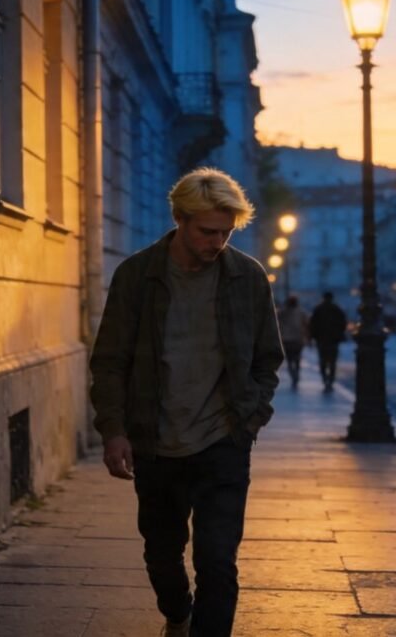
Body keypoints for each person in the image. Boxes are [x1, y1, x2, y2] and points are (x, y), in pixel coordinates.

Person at [89, 167, 283, 637]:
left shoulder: (246, 277)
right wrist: (114, 431)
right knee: (161, 552)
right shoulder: (138, 276)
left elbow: (267, 358)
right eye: (207, 231)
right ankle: (177, 613)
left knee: (218, 560)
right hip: (156, 442)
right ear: (179, 218)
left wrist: (250, 418)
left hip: (223, 441)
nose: (217, 241)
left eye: (226, 231)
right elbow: (110, 360)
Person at [309, 291, 347, 393]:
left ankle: (325, 379)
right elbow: (343, 323)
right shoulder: (337, 309)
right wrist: (339, 335)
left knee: (323, 361)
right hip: (333, 340)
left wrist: (313, 337)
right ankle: (330, 380)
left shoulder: (318, 309)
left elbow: (312, 325)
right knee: (332, 362)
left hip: (321, 340)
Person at [277, 295, 310, 389]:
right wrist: (307, 337)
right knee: (297, 358)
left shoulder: (281, 313)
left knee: (289, 360)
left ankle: (293, 375)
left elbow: (277, 326)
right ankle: (296, 374)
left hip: (286, 339)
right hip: (298, 339)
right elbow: (307, 325)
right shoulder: (302, 313)